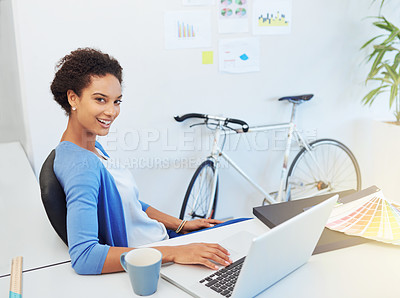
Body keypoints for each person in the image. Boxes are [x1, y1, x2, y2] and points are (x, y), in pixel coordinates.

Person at [50, 48, 242, 275]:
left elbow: (129, 204)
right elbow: (84, 257)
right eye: (100, 100)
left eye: (117, 101)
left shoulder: (87, 147)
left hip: (163, 240)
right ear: (73, 98)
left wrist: (181, 225)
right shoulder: (82, 168)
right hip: (152, 256)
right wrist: (175, 252)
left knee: (244, 227)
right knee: (243, 246)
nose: (111, 111)